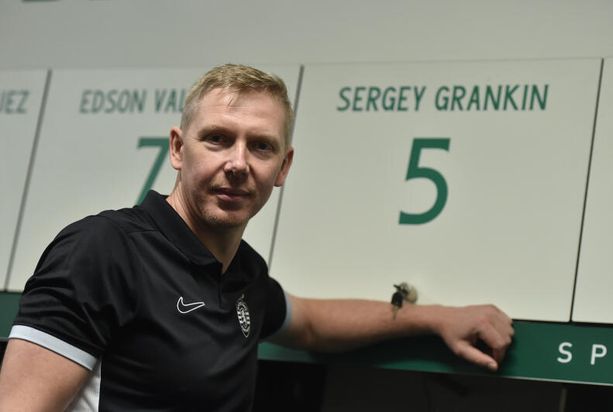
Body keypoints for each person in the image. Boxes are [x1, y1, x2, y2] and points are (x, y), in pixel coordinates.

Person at [0, 64, 513, 411]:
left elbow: (312, 324)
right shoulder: (103, 250)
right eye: (218, 139)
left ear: (283, 167)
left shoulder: (244, 273)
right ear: (178, 148)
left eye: (261, 146)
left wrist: (435, 318)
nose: (238, 163)